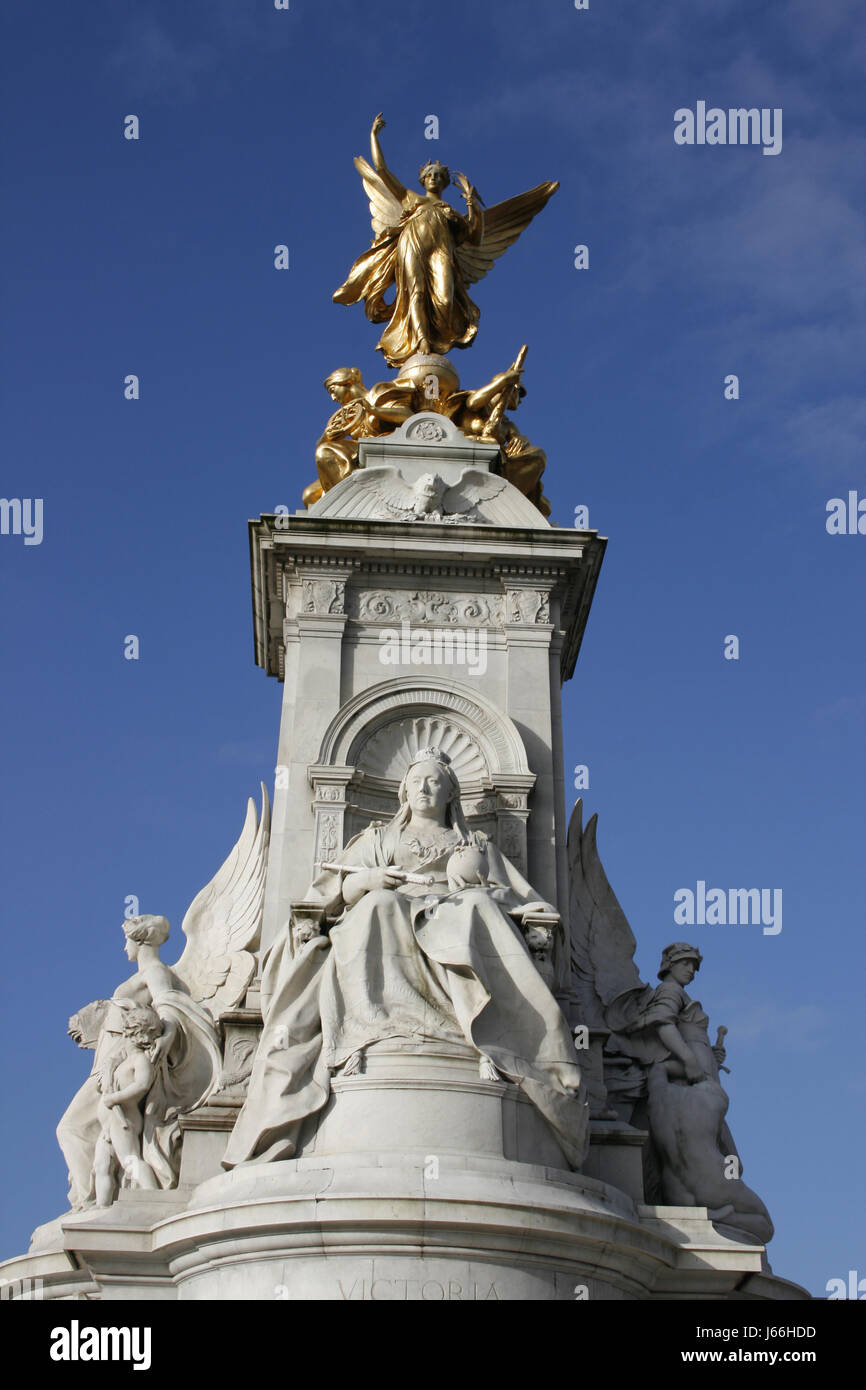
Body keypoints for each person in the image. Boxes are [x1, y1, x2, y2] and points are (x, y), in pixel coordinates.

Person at [225, 747, 588, 1169]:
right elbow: (326, 894)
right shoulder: (379, 839)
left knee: (477, 910)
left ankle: (493, 1039)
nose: (424, 788)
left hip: (454, 916)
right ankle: (370, 1031)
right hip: (391, 913)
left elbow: (519, 897)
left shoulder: (474, 844)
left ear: (451, 793)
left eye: (434, 781)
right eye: (416, 781)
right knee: (378, 906)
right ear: (402, 791)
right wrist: (364, 881)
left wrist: (477, 889)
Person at [57, 915, 221, 1208]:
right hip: (108, 1064)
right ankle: (91, 1199)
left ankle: (89, 1201)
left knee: (70, 1128)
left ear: (139, 940)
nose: (124, 950)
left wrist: (167, 1035)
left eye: (126, 942)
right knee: (82, 1133)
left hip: (117, 1067)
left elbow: (168, 1005)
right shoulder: (140, 976)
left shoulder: (155, 971)